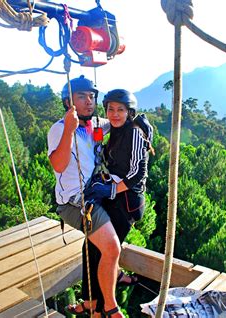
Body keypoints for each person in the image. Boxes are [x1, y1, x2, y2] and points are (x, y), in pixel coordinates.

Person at [47, 76, 124, 317]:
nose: (89, 101)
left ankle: (108, 279)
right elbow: (58, 165)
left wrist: (136, 121)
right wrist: (69, 130)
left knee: (122, 221)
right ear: (68, 102)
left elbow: (118, 118)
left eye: (92, 96)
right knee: (111, 247)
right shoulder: (59, 128)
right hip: (74, 202)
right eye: (82, 97)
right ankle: (110, 306)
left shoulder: (96, 124)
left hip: (93, 194)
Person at [83, 89, 153, 315]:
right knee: (93, 247)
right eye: (110, 109)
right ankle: (93, 301)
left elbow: (136, 174)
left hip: (127, 202)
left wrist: (109, 190)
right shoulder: (116, 130)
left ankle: (103, 309)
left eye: (120, 110)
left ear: (129, 112)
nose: (114, 114)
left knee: (105, 253)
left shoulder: (133, 133)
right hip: (116, 198)